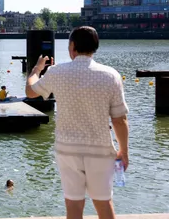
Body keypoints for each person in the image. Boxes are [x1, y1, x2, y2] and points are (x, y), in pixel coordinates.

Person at [25, 26, 129, 219]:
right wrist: (124, 151)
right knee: (104, 204)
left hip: (68, 149)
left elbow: (31, 91)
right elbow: (119, 119)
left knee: (73, 206)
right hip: (99, 150)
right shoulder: (110, 75)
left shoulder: (57, 72)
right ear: (95, 47)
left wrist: (36, 69)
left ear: (72, 46)